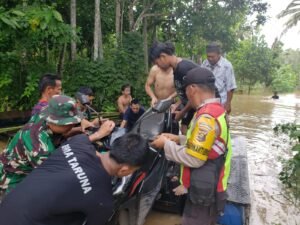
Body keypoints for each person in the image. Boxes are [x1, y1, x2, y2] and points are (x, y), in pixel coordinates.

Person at [0, 131, 150, 225]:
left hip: (6, 208)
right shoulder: (103, 201)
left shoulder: (79, 143)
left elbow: (86, 146)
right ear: (124, 169)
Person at [151, 67, 232, 225]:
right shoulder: (217, 110)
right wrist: (178, 139)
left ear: (193, 89)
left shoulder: (206, 118)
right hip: (213, 179)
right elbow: (208, 144)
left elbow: (194, 158)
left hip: (205, 188)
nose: (186, 96)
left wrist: (165, 144)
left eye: (186, 91)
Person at [0, 95, 82, 195]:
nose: (73, 125)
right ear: (54, 122)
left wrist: (81, 129)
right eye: (69, 124)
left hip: (13, 161)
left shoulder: (43, 116)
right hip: (12, 180)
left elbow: (58, 134)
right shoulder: (41, 149)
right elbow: (56, 178)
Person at [149, 41, 199, 134]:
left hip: (204, 107)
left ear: (163, 57)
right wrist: (176, 104)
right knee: (184, 129)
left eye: (157, 63)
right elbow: (184, 93)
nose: (158, 66)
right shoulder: (176, 69)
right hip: (192, 106)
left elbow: (194, 96)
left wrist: (182, 112)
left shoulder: (183, 69)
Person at [201, 42, 237, 113]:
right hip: (206, 102)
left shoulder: (227, 66)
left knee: (221, 122)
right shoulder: (205, 64)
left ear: (219, 54)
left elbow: (230, 87)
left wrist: (228, 103)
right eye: (208, 56)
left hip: (221, 102)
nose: (210, 59)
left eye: (212, 56)